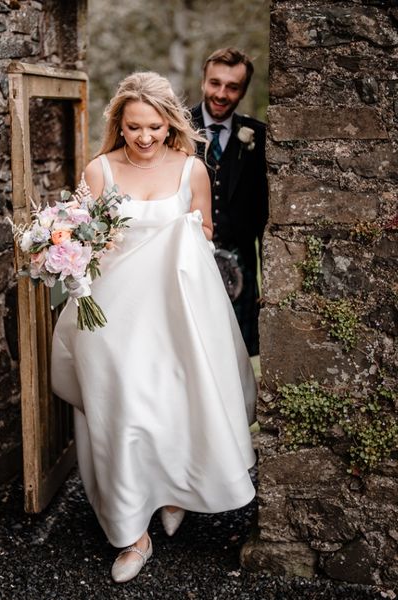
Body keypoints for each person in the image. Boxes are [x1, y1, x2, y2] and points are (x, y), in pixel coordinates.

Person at [51, 71, 257, 584]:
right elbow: (79, 239)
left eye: (155, 127)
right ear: (119, 125)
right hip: (113, 315)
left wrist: (181, 237)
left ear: (170, 125)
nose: (144, 138)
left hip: (173, 309)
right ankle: (130, 533)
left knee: (172, 404)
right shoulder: (100, 170)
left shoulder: (192, 170)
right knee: (122, 413)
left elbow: (204, 234)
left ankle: (171, 490)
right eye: (134, 127)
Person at [191, 47, 268, 357]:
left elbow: (265, 213)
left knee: (235, 357)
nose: (221, 93)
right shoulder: (173, 129)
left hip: (242, 266)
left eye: (232, 86)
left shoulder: (260, 137)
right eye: (215, 83)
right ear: (203, 82)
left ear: (243, 91)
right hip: (189, 260)